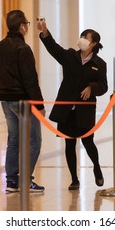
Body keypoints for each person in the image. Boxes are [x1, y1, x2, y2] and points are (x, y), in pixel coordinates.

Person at [37, 18, 108, 190]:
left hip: (85, 110)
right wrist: (45, 32)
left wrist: (92, 87)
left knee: (88, 141)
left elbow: (104, 86)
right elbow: (53, 48)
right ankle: (74, 179)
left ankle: (97, 167)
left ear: (94, 43)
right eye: (82, 35)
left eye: (87, 37)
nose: (82, 38)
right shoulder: (70, 56)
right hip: (66, 110)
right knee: (69, 143)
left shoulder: (99, 64)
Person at [0, 10, 45, 193]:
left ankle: (12, 181)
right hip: (23, 102)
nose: (27, 27)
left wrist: (2, 93)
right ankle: (25, 180)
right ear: (22, 26)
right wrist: (39, 105)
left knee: (13, 139)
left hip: (6, 101)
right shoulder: (23, 49)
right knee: (33, 140)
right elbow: (30, 81)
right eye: (27, 24)